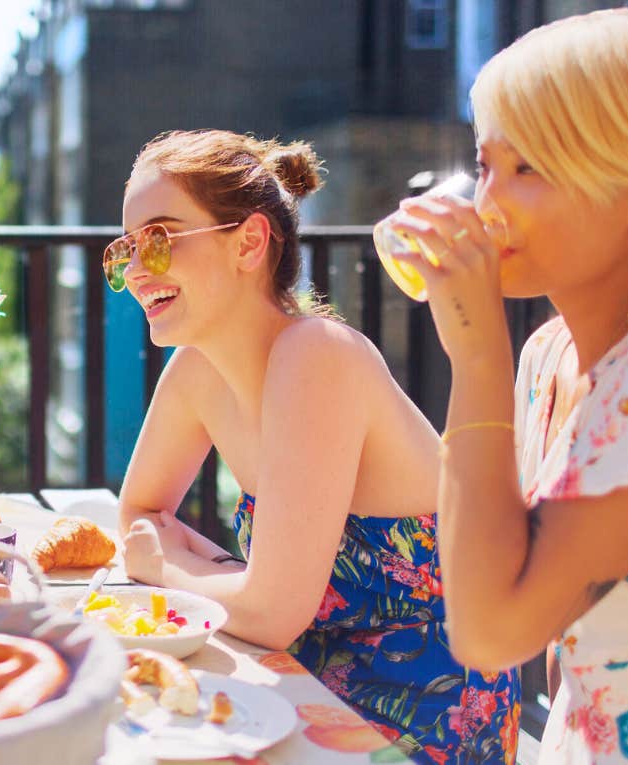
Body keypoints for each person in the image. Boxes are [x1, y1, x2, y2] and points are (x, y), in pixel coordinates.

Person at [376, 8, 628, 764]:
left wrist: (476, 361)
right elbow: (489, 577)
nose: (488, 204)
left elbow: (489, 631)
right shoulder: (549, 354)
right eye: (487, 167)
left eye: (529, 169)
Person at [113, 129, 519, 763]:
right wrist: (226, 578)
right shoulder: (197, 370)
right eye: (127, 248)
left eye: (159, 240)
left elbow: (267, 610)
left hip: (419, 715)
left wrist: (165, 571)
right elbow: (139, 513)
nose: (137, 269)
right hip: (298, 685)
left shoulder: (318, 356)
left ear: (248, 241)